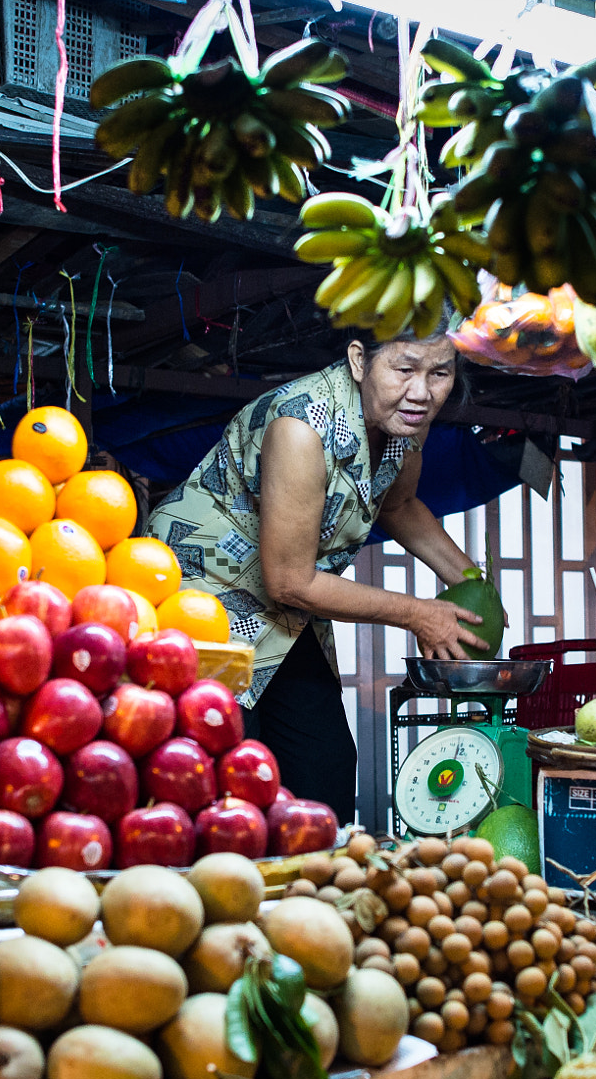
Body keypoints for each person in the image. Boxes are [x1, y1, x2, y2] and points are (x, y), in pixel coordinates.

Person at [149, 336, 484, 816]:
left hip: (287, 615)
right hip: (205, 602)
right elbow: (290, 580)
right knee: (223, 774)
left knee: (323, 768)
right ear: (357, 360)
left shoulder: (406, 422)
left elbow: (400, 503)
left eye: (439, 373)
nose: (422, 392)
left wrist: (473, 580)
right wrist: (416, 614)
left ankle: (317, 887)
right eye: (404, 369)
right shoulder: (301, 426)